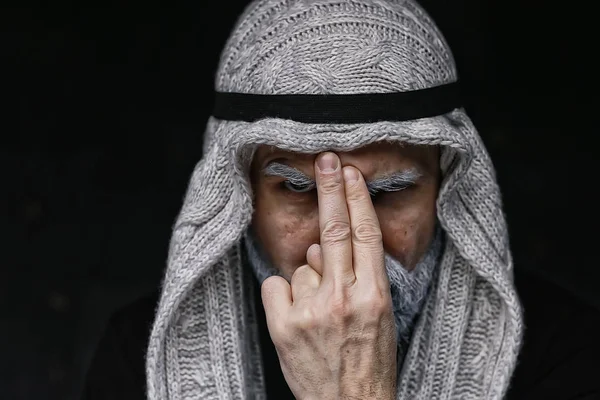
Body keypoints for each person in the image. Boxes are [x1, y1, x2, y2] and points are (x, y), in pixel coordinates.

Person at [81, 0, 600, 399]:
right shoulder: (142, 360)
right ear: (240, 196)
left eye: (393, 191)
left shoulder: (565, 352)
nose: (348, 236)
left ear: (447, 189)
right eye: (299, 189)